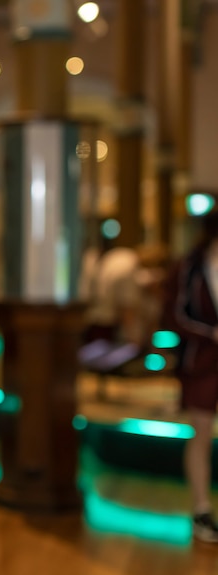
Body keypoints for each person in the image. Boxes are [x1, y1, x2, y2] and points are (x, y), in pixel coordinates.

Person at [163, 211, 218, 543]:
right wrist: (210, 334)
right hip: (203, 361)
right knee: (200, 433)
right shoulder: (190, 266)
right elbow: (174, 314)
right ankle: (201, 509)